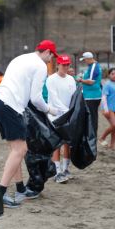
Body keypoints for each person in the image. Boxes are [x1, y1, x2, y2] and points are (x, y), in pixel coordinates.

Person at [0, 39, 59, 208]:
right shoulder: (40, 66)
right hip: (10, 106)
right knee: (20, 149)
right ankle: (0, 194)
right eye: (52, 56)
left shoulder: (21, 58)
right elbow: (35, 98)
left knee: (16, 150)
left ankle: (20, 188)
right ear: (47, 52)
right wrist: (50, 110)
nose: (51, 60)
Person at [46, 54, 77, 183]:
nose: (65, 67)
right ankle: (57, 171)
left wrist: (74, 111)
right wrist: (66, 111)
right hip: (56, 115)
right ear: (58, 64)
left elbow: (75, 97)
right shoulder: (51, 79)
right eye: (63, 64)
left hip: (68, 115)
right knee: (57, 144)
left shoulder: (71, 79)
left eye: (67, 64)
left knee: (67, 143)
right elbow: (54, 98)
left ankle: (65, 169)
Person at [98, 68, 115, 150]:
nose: (114, 75)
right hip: (108, 108)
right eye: (112, 74)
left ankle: (112, 145)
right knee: (114, 125)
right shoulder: (107, 84)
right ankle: (102, 138)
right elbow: (104, 97)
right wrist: (106, 109)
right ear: (109, 75)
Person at [77, 51, 102, 137]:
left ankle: (92, 138)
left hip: (92, 97)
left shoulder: (94, 67)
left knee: (92, 118)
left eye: (84, 60)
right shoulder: (91, 66)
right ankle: (91, 137)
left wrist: (80, 80)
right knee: (90, 118)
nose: (84, 62)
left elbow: (91, 82)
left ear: (88, 59)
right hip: (90, 96)